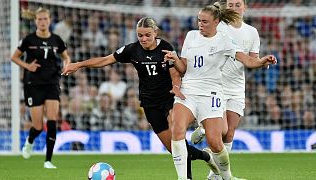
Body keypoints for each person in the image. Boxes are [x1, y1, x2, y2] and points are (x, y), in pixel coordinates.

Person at [62, 17, 217, 179]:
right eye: (140, 35)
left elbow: (175, 73)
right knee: (175, 148)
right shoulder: (132, 50)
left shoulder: (165, 48)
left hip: (170, 98)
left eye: (147, 35)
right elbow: (106, 60)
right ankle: (206, 156)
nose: (143, 39)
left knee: (177, 136)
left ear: (155, 32)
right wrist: (79, 64)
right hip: (149, 103)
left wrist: (176, 87)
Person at [162, 2, 276, 179]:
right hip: (189, 92)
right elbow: (183, 68)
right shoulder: (191, 36)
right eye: (199, 20)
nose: (200, 24)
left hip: (212, 94)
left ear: (217, 22)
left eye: (205, 21)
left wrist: (262, 61)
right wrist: (175, 59)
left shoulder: (225, 41)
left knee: (216, 141)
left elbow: (247, 60)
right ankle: (182, 178)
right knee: (177, 130)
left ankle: (226, 177)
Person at [191, 0, 265, 173]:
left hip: (237, 87)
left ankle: (215, 175)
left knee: (229, 133)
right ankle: (205, 128)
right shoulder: (220, 27)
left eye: (237, 4)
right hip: (217, 84)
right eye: (230, 5)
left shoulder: (252, 32)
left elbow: (253, 58)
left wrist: (263, 62)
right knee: (221, 130)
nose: (234, 8)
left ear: (245, 7)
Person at [11, 7, 71, 169]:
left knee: (52, 121)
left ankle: (48, 161)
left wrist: (67, 66)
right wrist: (27, 66)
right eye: (39, 19)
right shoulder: (29, 40)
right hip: (33, 84)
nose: (42, 22)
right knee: (37, 126)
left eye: (45, 19)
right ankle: (29, 142)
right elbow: (14, 57)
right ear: (35, 21)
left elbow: (66, 57)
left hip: (52, 83)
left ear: (50, 21)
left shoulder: (57, 40)